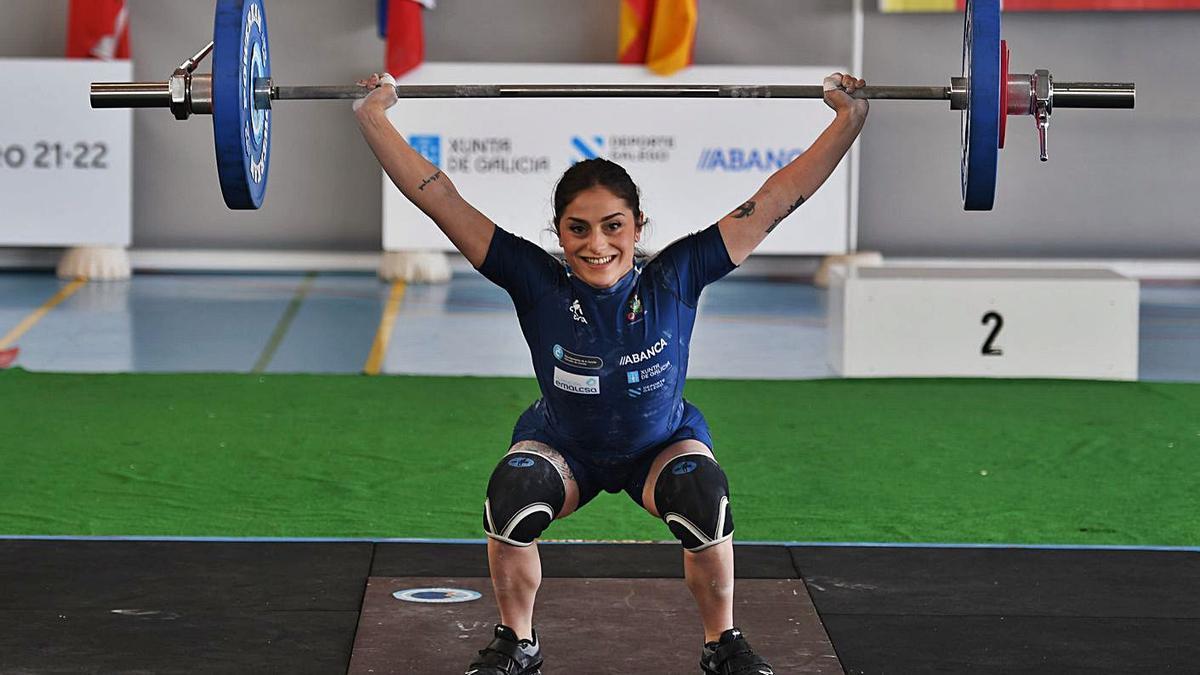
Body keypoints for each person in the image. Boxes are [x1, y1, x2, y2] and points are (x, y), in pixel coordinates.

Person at [354, 71, 867, 675]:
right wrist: (373, 118)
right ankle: (517, 642)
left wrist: (847, 121)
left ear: (638, 227)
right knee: (512, 496)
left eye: (613, 226)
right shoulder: (534, 280)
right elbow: (438, 197)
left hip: (661, 446)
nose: (596, 244)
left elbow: (779, 198)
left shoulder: (676, 276)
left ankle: (722, 643)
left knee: (704, 498)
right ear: (559, 231)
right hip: (565, 446)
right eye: (578, 228)